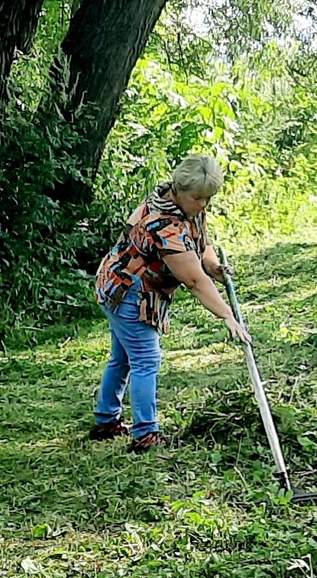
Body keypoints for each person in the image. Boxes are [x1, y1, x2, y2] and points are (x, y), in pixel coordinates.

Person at [89, 154, 251, 452]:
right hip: (127, 293)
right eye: (199, 198)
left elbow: (200, 245)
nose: (204, 205)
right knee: (145, 360)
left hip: (123, 284)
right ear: (179, 189)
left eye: (208, 198)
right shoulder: (163, 224)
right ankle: (146, 434)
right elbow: (193, 280)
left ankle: (107, 421)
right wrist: (227, 315)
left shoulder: (185, 206)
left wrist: (213, 266)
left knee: (124, 358)